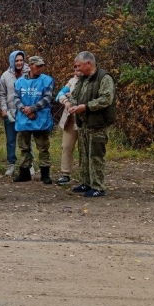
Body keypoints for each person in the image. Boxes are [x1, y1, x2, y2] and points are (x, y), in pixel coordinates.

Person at [68, 51, 116, 198]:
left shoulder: (104, 78)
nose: (77, 68)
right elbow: (75, 94)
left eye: (79, 65)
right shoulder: (83, 79)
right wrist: (73, 105)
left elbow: (106, 99)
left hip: (98, 124)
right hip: (84, 123)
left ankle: (98, 186)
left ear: (88, 63)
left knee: (95, 155)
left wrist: (86, 106)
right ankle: (86, 182)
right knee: (84, 155)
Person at [13, 55, 54, 184]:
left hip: (40, 119)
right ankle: (24, 173)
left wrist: (33, 108)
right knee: (24, 147)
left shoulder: (47, 80)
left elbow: (47, 98)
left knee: (43, 147)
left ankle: (45, 174)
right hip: (24, 118)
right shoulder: (19, 81)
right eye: (38, 66)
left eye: (42, 66)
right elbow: (15, 98)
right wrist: (25, 110)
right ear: (30, 66)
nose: (40, 68)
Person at [0, 50, 26, 177]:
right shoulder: (5, 75)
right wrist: (3, 109)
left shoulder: (28, 72)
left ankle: (27, 164)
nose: (19, 63)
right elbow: (3, 94)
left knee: (26, 140)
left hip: (25, 112)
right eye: (16, 60)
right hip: (10, 112)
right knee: (11, 140)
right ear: (12, 61)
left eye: (21, 60)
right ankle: (11, 164)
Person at [55, 65, 81, 185]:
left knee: (85, 148)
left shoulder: (92, 81)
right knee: (66, 146)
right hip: (70, 118)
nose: (77, 72)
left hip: (84, 118)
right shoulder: (72, 81)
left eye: (79, 69)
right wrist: (65, 100)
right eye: (75, 69)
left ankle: (86, 174)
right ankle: (65, 173)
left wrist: (73, 97)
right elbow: (59, 94)